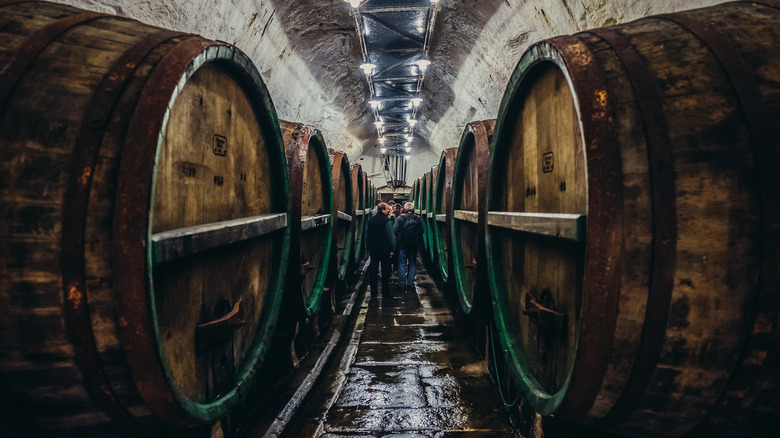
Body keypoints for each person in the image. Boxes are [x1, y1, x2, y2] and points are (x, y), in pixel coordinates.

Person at [367, 202, 395, 298]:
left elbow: (367, 236)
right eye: (387, 209)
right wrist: (393, 249)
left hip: (374, 250)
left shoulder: (371, 220)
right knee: (385, 271)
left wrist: (368, 248)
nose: (388, 210)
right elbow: (391, 236)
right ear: (382, 210)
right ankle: (385, 292)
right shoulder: (387, 221)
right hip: (385, 250)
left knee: (373, 271)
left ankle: (373, 293)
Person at [394, 202, 423, 290]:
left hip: (402, 245)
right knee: (412, 264)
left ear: (405, 209)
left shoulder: (400, 218)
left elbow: (394, 230)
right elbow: (422, 231)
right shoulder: (418, 218)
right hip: (414, 245)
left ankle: (401, 284)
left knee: (402, 264)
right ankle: (410, 283)